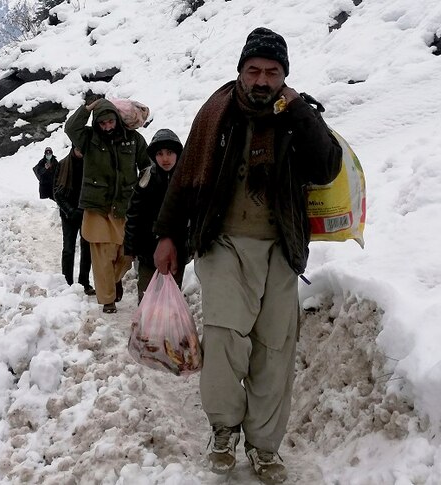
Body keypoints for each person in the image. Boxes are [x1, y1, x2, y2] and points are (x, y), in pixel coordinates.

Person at [152, 27, 343, 483]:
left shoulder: (298, 115)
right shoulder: (216, 113)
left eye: (272, 72)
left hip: (280, 248)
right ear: (240, 71)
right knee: (223, 340)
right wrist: (166, 235)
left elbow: (326, 166)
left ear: (284, 76)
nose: (262, 80)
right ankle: (223, 429)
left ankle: (263, 445)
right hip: (223, 244)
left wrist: (300, 111)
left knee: (274, 350)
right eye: (254, 70)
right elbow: (185, 180)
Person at [65, 97, 150, 313]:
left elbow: (147, 165)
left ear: (116, 120)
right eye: (102, 123)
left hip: (125, 205)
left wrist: (143, 189)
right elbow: (71, 127)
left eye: (110, 122)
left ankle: (114, 280)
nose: (107, 127)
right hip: (97, 207)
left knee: (125, 254)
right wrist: (87, 109)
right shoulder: (88, 139)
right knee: (103, 255)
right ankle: (107, 299)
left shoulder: (134, 139)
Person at [123, 129, 188, 304]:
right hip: (147, 251)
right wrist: (130, 248)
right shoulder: (146, 178)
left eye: (170, 153)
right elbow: (133, 214)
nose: (165, 159)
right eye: (160, 154)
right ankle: (146, 330)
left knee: (171, 296)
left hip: (177, 251)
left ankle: (167, 329)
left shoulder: (186, 179)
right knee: (147, 295)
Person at [53, 146, 95, 295]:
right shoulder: (63, 164)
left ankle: (84, 282)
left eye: (82, 149)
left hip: (86, 213)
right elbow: (57, 193)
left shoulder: (91, 164)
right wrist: (70, 211)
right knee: (69, 249)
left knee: (87, 248)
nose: (81, 152)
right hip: (68, 214)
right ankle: (67, 283)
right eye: (78, 149)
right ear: (73, 148)